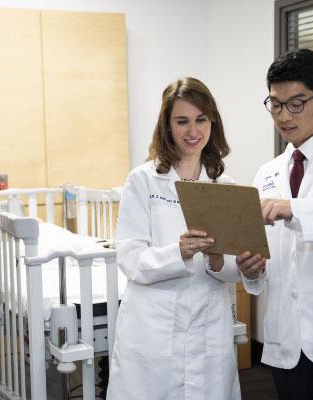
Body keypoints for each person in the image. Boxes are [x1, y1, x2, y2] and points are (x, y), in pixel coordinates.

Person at [107, 77, 251, 400]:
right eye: (182, 121)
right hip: (153, 326)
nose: (192, 131)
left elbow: (230, 268)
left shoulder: (222, 184)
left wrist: (217, 259)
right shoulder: (143, 180)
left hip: (209, 325)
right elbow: (129, 257)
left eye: (201, 120)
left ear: (212, 122)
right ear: (167, 125)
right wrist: (179, 252)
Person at [237, 48, 313, 400]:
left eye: (296, 103)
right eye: (275, 104)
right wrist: (252, 269)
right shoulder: (268, 172)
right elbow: (267, 254)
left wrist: (295, 209)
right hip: (286, 341)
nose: (283, 116)